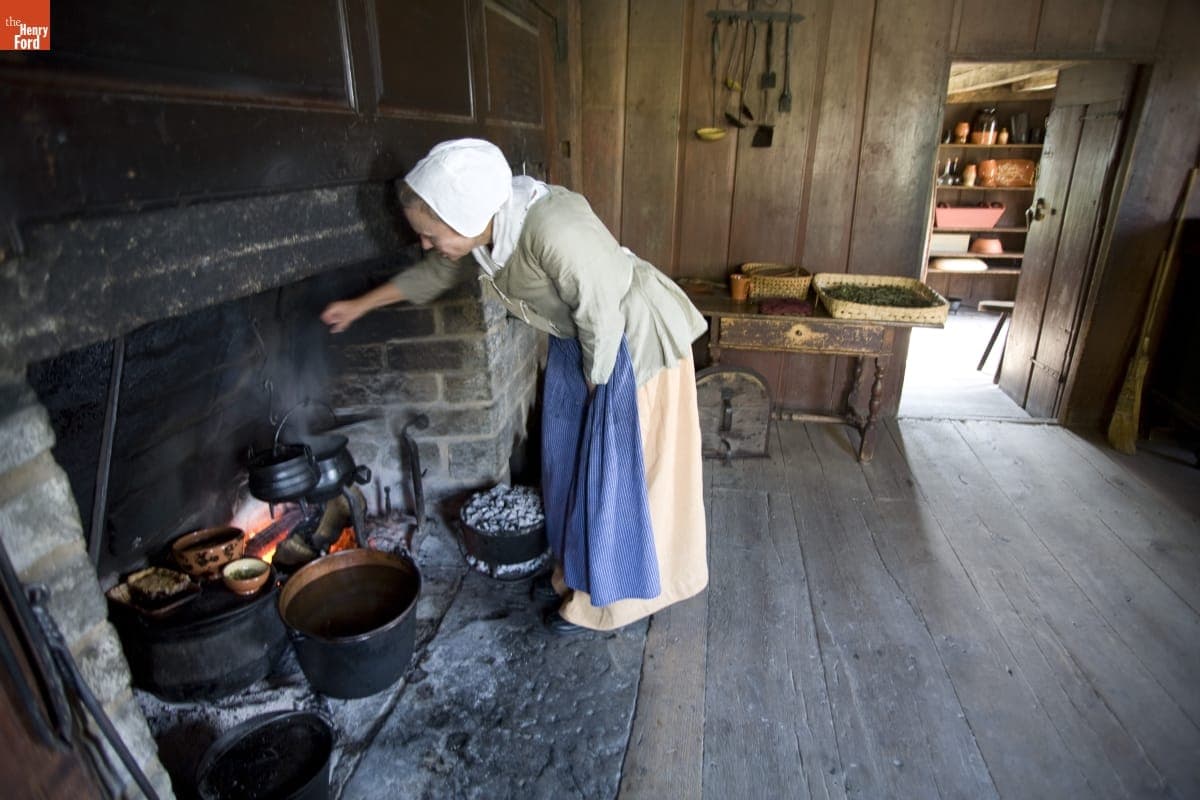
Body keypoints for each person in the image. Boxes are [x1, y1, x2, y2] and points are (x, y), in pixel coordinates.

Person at [321, 138, 708, 633]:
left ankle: (608, 606)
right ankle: (576, 578)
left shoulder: (553, 228)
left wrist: (601, 397)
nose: (424, 242)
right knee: (570, 467)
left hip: (630, 342)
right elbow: (434, 273)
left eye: (429, 232)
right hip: (585, 343)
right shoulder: (485, 229)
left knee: (618, 476)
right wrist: (358, 306)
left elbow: (602, 313)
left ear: (463, 214)